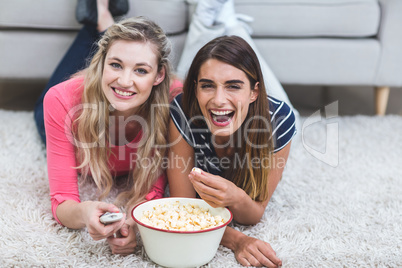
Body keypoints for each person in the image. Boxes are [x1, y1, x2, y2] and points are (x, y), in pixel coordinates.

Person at [37, 0, 179, 255]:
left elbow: (154, 189)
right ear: (101, 63)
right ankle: (101, 19)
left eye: (141, 70)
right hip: (76, 99)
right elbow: (62, 201)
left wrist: (136, 225)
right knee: (39, 113)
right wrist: (85, 212)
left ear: (158, 75)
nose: (125, 81)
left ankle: (104, 19)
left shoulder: (172, 101)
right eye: (115, 65)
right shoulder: (61, 101)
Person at [167, 1, 296, 267]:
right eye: (207, 86)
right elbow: (183, 206)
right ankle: (219, 19)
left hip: (266, 114)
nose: (218, 99)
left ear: (254, 92)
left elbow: (254, 214)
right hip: (212, 104)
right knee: (192, 67)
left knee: (294, 116)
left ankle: (215, 17)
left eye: (233, 86)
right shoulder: (182, 109)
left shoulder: (279, 121)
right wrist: (238, 241)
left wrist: (235, 196)